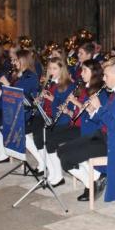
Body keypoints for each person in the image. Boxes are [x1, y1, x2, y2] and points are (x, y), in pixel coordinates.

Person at [59, 58, 115, 202]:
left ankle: (94, 182)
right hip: (101, 136)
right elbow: (103, 119)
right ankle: (96, 179)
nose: (103, 78)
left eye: (106, 75)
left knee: (69, 157)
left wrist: (99, 108)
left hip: (112, 143)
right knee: (62, 151)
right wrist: (92, 111)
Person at [25, 57, 76, 185]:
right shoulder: (49, 83)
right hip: (45, 116)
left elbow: (67, 108)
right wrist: (39, 100)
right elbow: (44, 103)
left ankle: (57, 175)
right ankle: (50, 169)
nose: (51, 71)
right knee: (35, 134)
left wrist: (53, 99)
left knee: (46, 138)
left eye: (55, 68)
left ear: (62, 69)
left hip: (60, 119)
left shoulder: (68, 85)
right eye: (49, 68)